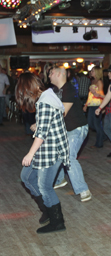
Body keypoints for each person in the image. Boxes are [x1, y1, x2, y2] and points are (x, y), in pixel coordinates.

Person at [17, 73, 70, 234]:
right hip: (46, 148)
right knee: (26, 177)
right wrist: (39, 124)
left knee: (45, 186)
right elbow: (52, 120)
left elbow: (41, 134)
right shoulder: (46, 97)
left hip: (52, 150)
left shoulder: (45, 102)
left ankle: (57, 221)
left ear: (28, 90)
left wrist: (30, 154)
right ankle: (47, 209)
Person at [49, 67, 92, 202]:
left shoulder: (69, 89)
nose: (48, 75)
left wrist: (43, 123)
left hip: (77, 128)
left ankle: (83, 189)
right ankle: (60, 179)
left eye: (51, 72)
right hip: (65, 129)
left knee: (69, 157)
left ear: (60, 74)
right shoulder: (55, 91)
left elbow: (62, 112)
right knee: (57, 153)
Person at [83, 66, 105, 148]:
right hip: (91, 105)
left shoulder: (99, 82)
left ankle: (99, 144)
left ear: (97, 72)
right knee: (90, 123)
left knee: (96, 125)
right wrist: (86, 105)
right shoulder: (92, 81)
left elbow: (101, 95)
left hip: (97, 105)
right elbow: (90, 95)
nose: (91, 72)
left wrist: (102, 108)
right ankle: (103, 135)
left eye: (92, 71)